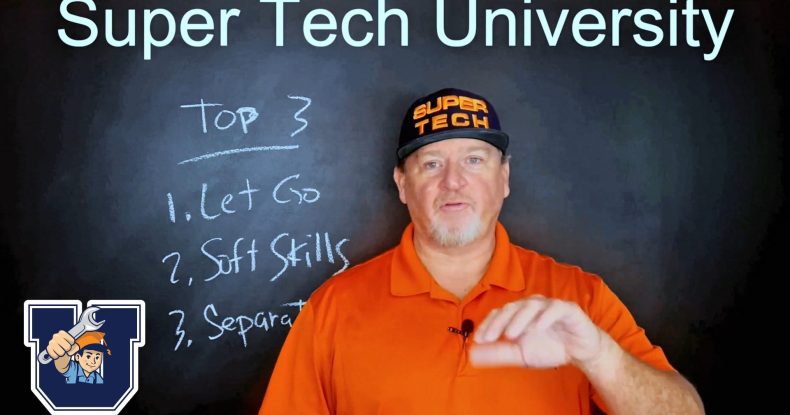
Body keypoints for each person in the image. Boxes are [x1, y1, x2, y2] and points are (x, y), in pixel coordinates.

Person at [259, 88, 704, 414]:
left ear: (504, 178)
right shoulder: (333, 309)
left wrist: (599, 356)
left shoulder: (578, 298)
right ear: (402, 184)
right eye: (431, 163)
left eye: (474, 160)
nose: (453, 181)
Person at [47, 330, 111, 384]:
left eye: (97, 357)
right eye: (88, 356)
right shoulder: (74, 369)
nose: (93, 362)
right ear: (77, 357)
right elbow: (62, 366)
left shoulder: (98, 378)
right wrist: (62, 352)